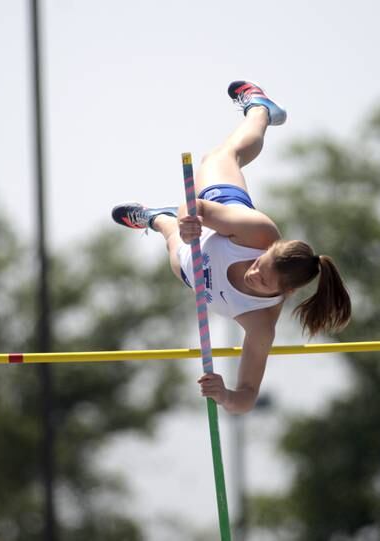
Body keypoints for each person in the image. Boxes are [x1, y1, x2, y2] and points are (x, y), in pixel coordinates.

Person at [112, 81, 351, 414]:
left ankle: (156, 219)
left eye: (263, 281)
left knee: (171, 239)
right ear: (269, 248)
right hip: (222, 218)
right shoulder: (260, 233)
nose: (254, 273)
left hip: (193, 271)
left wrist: (225, 395)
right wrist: (188, 220)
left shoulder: (261, 323)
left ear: (284, 292)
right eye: (259, 265)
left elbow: (248, 396)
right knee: (223, 156)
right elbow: (194, 205)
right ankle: (261, 109)